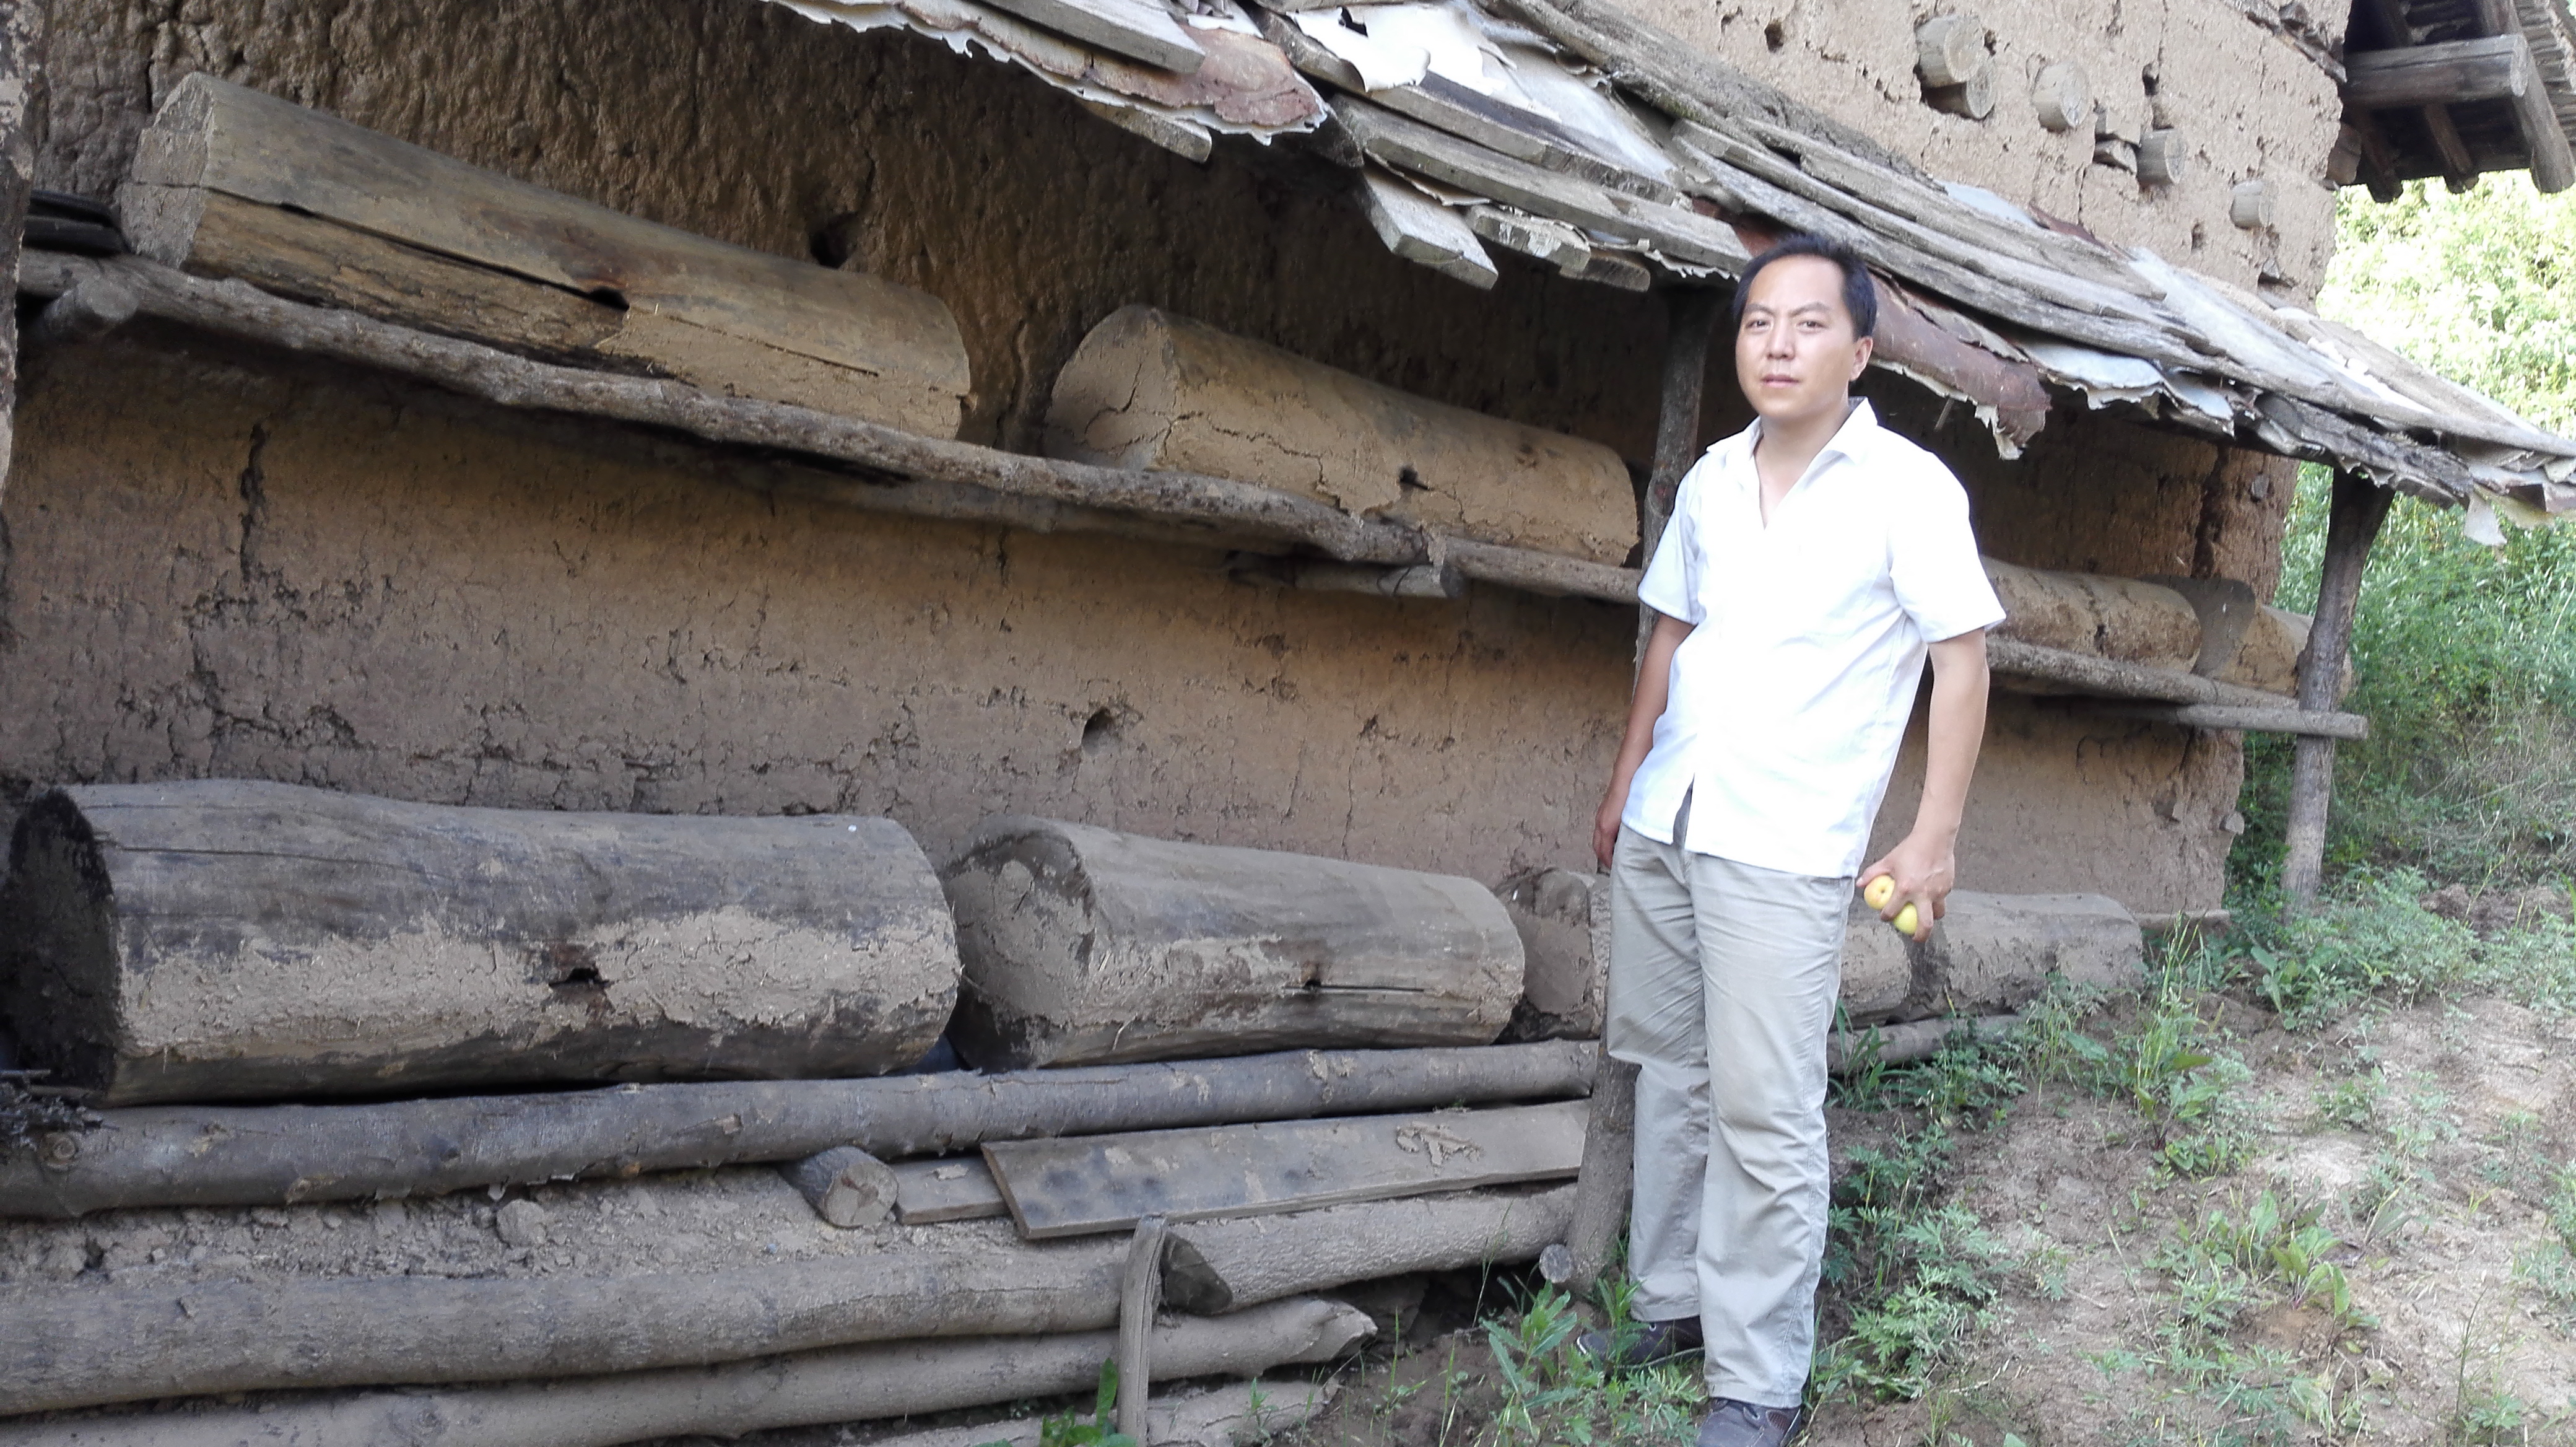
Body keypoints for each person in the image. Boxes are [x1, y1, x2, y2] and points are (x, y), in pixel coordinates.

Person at [1582, 233, 2004, 1447]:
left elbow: (1959, 659)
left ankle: (1758, 1378)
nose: (1776, 343)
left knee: (1766, 1110)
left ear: (1859, 350)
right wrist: (1625, 782)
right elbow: (1669, 636)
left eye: (1807, 323)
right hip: (1674, 814)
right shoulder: (1714, 475)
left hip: (1784, 841)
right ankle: (1668, 1305)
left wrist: (1933, 836)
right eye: (1758, 321)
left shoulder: (1907, 490)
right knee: (1668, 1071)